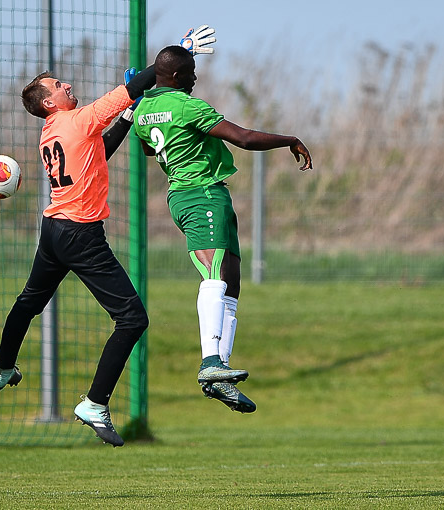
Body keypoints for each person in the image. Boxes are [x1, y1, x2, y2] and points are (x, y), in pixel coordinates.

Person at [0, 28, 215, 447]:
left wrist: (128, 115)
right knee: (133, 319)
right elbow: (136, 85)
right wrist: (177, 53)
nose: (66, 85)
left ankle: (3, 367)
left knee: (28, 302)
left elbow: (100, 152)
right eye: (58, 85)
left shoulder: (52, 131)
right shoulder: (80, 119)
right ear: (48, 102)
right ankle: (94, 403)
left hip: (54, 230)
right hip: (81, 236)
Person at [133, 45, 312, 414]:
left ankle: (221, 371)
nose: (196, 77)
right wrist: (289, 140)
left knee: (231, 281)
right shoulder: (188, 106)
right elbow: (243, 138)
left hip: (192, 196)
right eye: (191, 71)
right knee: (215, 276)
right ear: (177, 76)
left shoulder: (142, 111)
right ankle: (211, 362)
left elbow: (150, 150)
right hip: (200, 195)